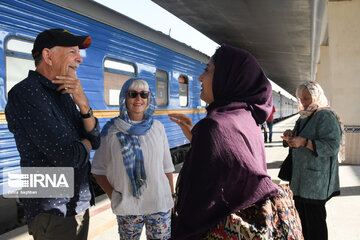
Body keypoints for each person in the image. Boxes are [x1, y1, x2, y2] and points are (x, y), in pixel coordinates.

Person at [169, 44, 303, 240]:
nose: (200, 78)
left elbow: (196, 203)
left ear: (227, 76)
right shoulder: (248, 119)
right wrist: (197, 139)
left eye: (207, 70)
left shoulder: (214, 125)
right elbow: (233, 168)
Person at [5, 28, 100, 239]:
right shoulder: (26, 93)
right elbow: (68, 156)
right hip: (52, 208)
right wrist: (87, 143)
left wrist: (84, 104)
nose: (79, 59)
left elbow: (96, 138)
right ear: (48, 56)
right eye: (72, 52)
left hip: (77, 202)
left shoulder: (64, 92)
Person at [91, 78, 175, 240]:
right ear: (124, 97)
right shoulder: (111, 131)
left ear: (149, 98)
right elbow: (98, 170)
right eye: (133, 94)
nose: (139, 99)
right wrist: (114, 196)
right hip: (128, 207)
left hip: (159, 203)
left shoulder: (158, 127)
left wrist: (171, 196)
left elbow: (167, 166)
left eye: (144, 94)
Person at [281, 81, 344, 240]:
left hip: (315, 182)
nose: (303, 102)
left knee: (315, 222)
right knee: (302, 220)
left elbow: (332, 146)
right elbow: (298, 138)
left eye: (307, 98)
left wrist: (305, 142)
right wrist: (290, 137)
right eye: (301, 99)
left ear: (316, 96)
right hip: (301, 179)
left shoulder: (325, 116)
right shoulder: (304, 116)